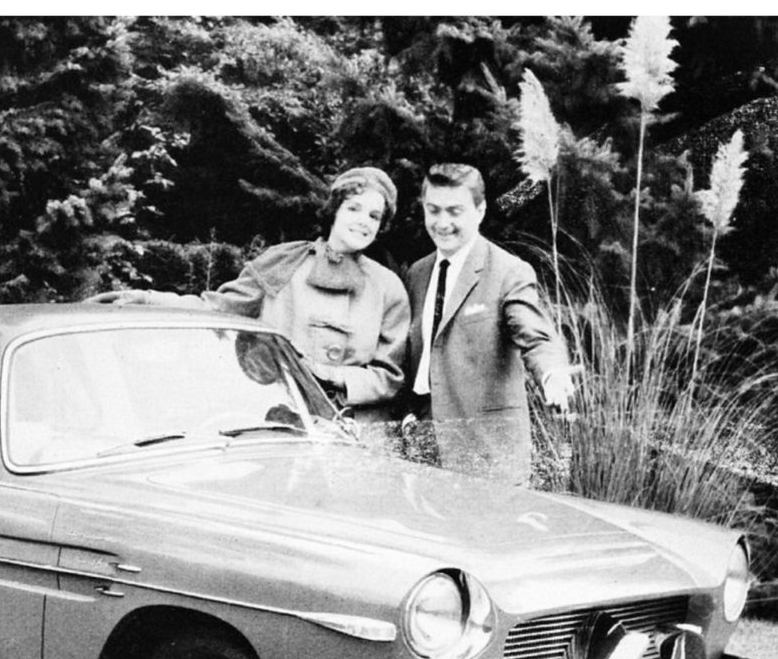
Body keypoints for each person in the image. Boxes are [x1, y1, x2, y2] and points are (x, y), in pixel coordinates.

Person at [100, 166, 411, 428]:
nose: (363, 221)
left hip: (352, 432)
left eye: (374, 216)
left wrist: (331, 375)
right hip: (281, 422)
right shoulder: (283, 263)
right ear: (335, 211)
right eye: (354, 208)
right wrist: (148, 300)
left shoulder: (388, 287)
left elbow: (390, 377)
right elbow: (215, 308)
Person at [399, 162, 576, 485]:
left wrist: (552, 373)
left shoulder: (508, 271)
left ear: (479, 211)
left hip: (486, 453)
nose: (442, 223)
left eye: (455, 211)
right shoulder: (417, 273)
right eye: (433, 210)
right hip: (424, 448)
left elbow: (535, 335)